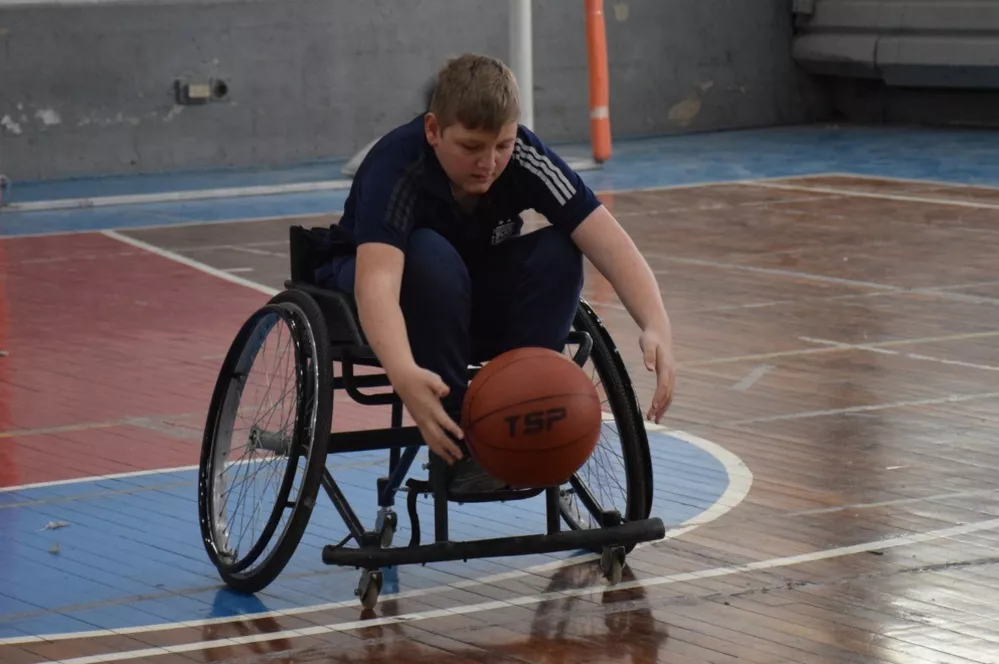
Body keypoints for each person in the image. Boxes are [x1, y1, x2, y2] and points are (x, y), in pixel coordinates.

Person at [315, 53, 676, 495]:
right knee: (429, 252)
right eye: (471, 147)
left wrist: (655, 323)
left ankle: (523, 410)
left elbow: (607, 239)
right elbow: (377, 286)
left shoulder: (524, 156)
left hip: (469, 292)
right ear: (433, 130)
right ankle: (461, 447)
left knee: (562, 247)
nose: (489, 162)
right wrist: (402, 371)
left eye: (502, 146)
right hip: (379, 293)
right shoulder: (396, 165)